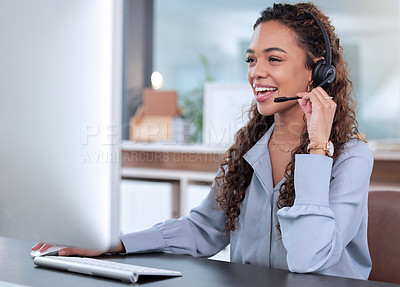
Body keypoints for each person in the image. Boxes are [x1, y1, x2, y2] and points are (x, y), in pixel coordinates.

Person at [33, 2, 373, 280]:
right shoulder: (250, 150)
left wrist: (316, 149)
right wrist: (113, 243)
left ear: (318, 70)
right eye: (251, 59)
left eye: (274, 58)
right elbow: (202, 230)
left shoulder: (351, 157)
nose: (256, 71)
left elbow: (307, 258)